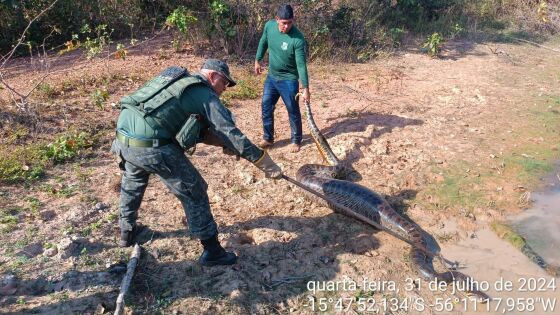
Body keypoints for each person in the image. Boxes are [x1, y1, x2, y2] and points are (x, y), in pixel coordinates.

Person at [110, 59, 282, 266]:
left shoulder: (176, 82)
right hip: (152, 146)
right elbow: (230, 132)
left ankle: (126, 232)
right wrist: (262, 161)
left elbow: (195, 132)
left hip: (123, 139)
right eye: (225, 83)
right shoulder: (203, 93)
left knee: (133, 182)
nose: (224, 89)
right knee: (195, 190)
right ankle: (213, 251)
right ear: (212, 76)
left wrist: (225, 145)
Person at [254, 4, 310, 153]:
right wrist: (257, 60)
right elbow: (263, 42)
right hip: (272, 77)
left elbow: (301, 65)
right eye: (284, 22)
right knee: (266, 106)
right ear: (277, 19)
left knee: (292, 109)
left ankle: (296, 140)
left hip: (289, 80)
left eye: (290, 22)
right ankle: (268, 138)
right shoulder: (269, 26)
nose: (287, 26)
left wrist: (305, 88)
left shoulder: (297, 39)